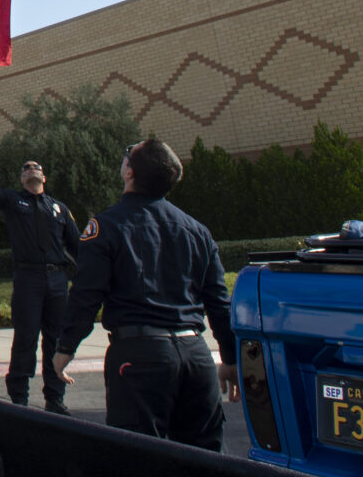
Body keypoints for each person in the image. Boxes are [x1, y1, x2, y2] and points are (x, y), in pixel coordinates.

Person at [52, 138, 239, 450]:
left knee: (139, 465)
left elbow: (86, 293)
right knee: (206, 466)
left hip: (140, 358)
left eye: (129, 154)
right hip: (196, 356)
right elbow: (219, 301)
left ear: (130, 172)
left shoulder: (106, 226)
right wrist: (230, 357)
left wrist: (65, 347)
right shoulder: (196, 230)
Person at [0, 131, 78, 411]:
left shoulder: (58, 208)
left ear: (44, 178)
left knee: (55, 339)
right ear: (22, 179)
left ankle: (55, 398)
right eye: (26, 168)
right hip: (28, 278)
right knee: (26, 338)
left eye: (36, 168)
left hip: (57, 279)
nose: (32, 170)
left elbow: (77, 246)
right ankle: (19, 398)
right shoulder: (12, 201)